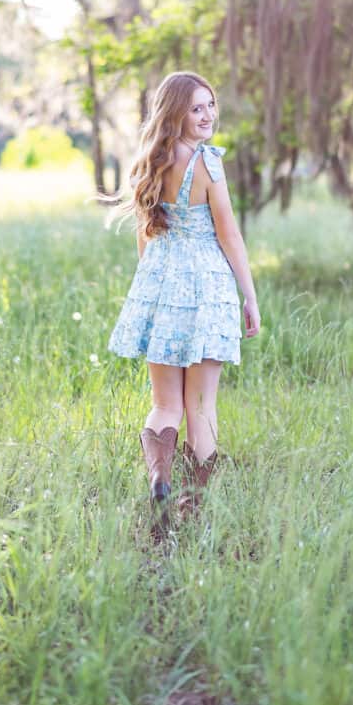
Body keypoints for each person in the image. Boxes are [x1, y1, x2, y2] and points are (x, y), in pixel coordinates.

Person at [108, 70, 260, 537]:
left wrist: (150, 285)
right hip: (207, 286)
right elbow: (230, 235)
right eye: (196, 107)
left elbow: (145, 234)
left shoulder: (151, 162)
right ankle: (196, 511)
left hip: (161, 284)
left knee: (164, 404)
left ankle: (159, 479)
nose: (208, 115)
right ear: (176, 112)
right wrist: (249, 297)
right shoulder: (208, 163)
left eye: (211, 104)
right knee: (200, 406)